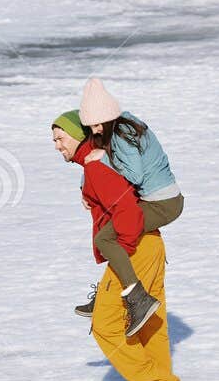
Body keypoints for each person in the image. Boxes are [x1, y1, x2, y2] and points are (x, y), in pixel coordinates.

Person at [53, 110, 182, 381]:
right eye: (54, 140)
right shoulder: (94, 164)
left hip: (135, 247)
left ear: (79, 135)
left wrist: (121, 252)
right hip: (150, 243)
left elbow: (128, 212)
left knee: (105, 324)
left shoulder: (97, 168)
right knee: (151, 323)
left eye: (60, 138)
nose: (57, 146)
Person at [72, 78, 185, 334]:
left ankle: (139, 300)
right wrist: (85, 184)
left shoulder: (123, 134)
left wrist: (104, 160)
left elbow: (133, 175)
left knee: (106, 239)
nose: (96, 130)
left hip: (164, 204)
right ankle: (108, 295)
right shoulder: (116, 126)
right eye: (91, 126)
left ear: (109, 117)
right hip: (156, 200)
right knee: (119, 236)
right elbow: (94, 155)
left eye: (98, 124)